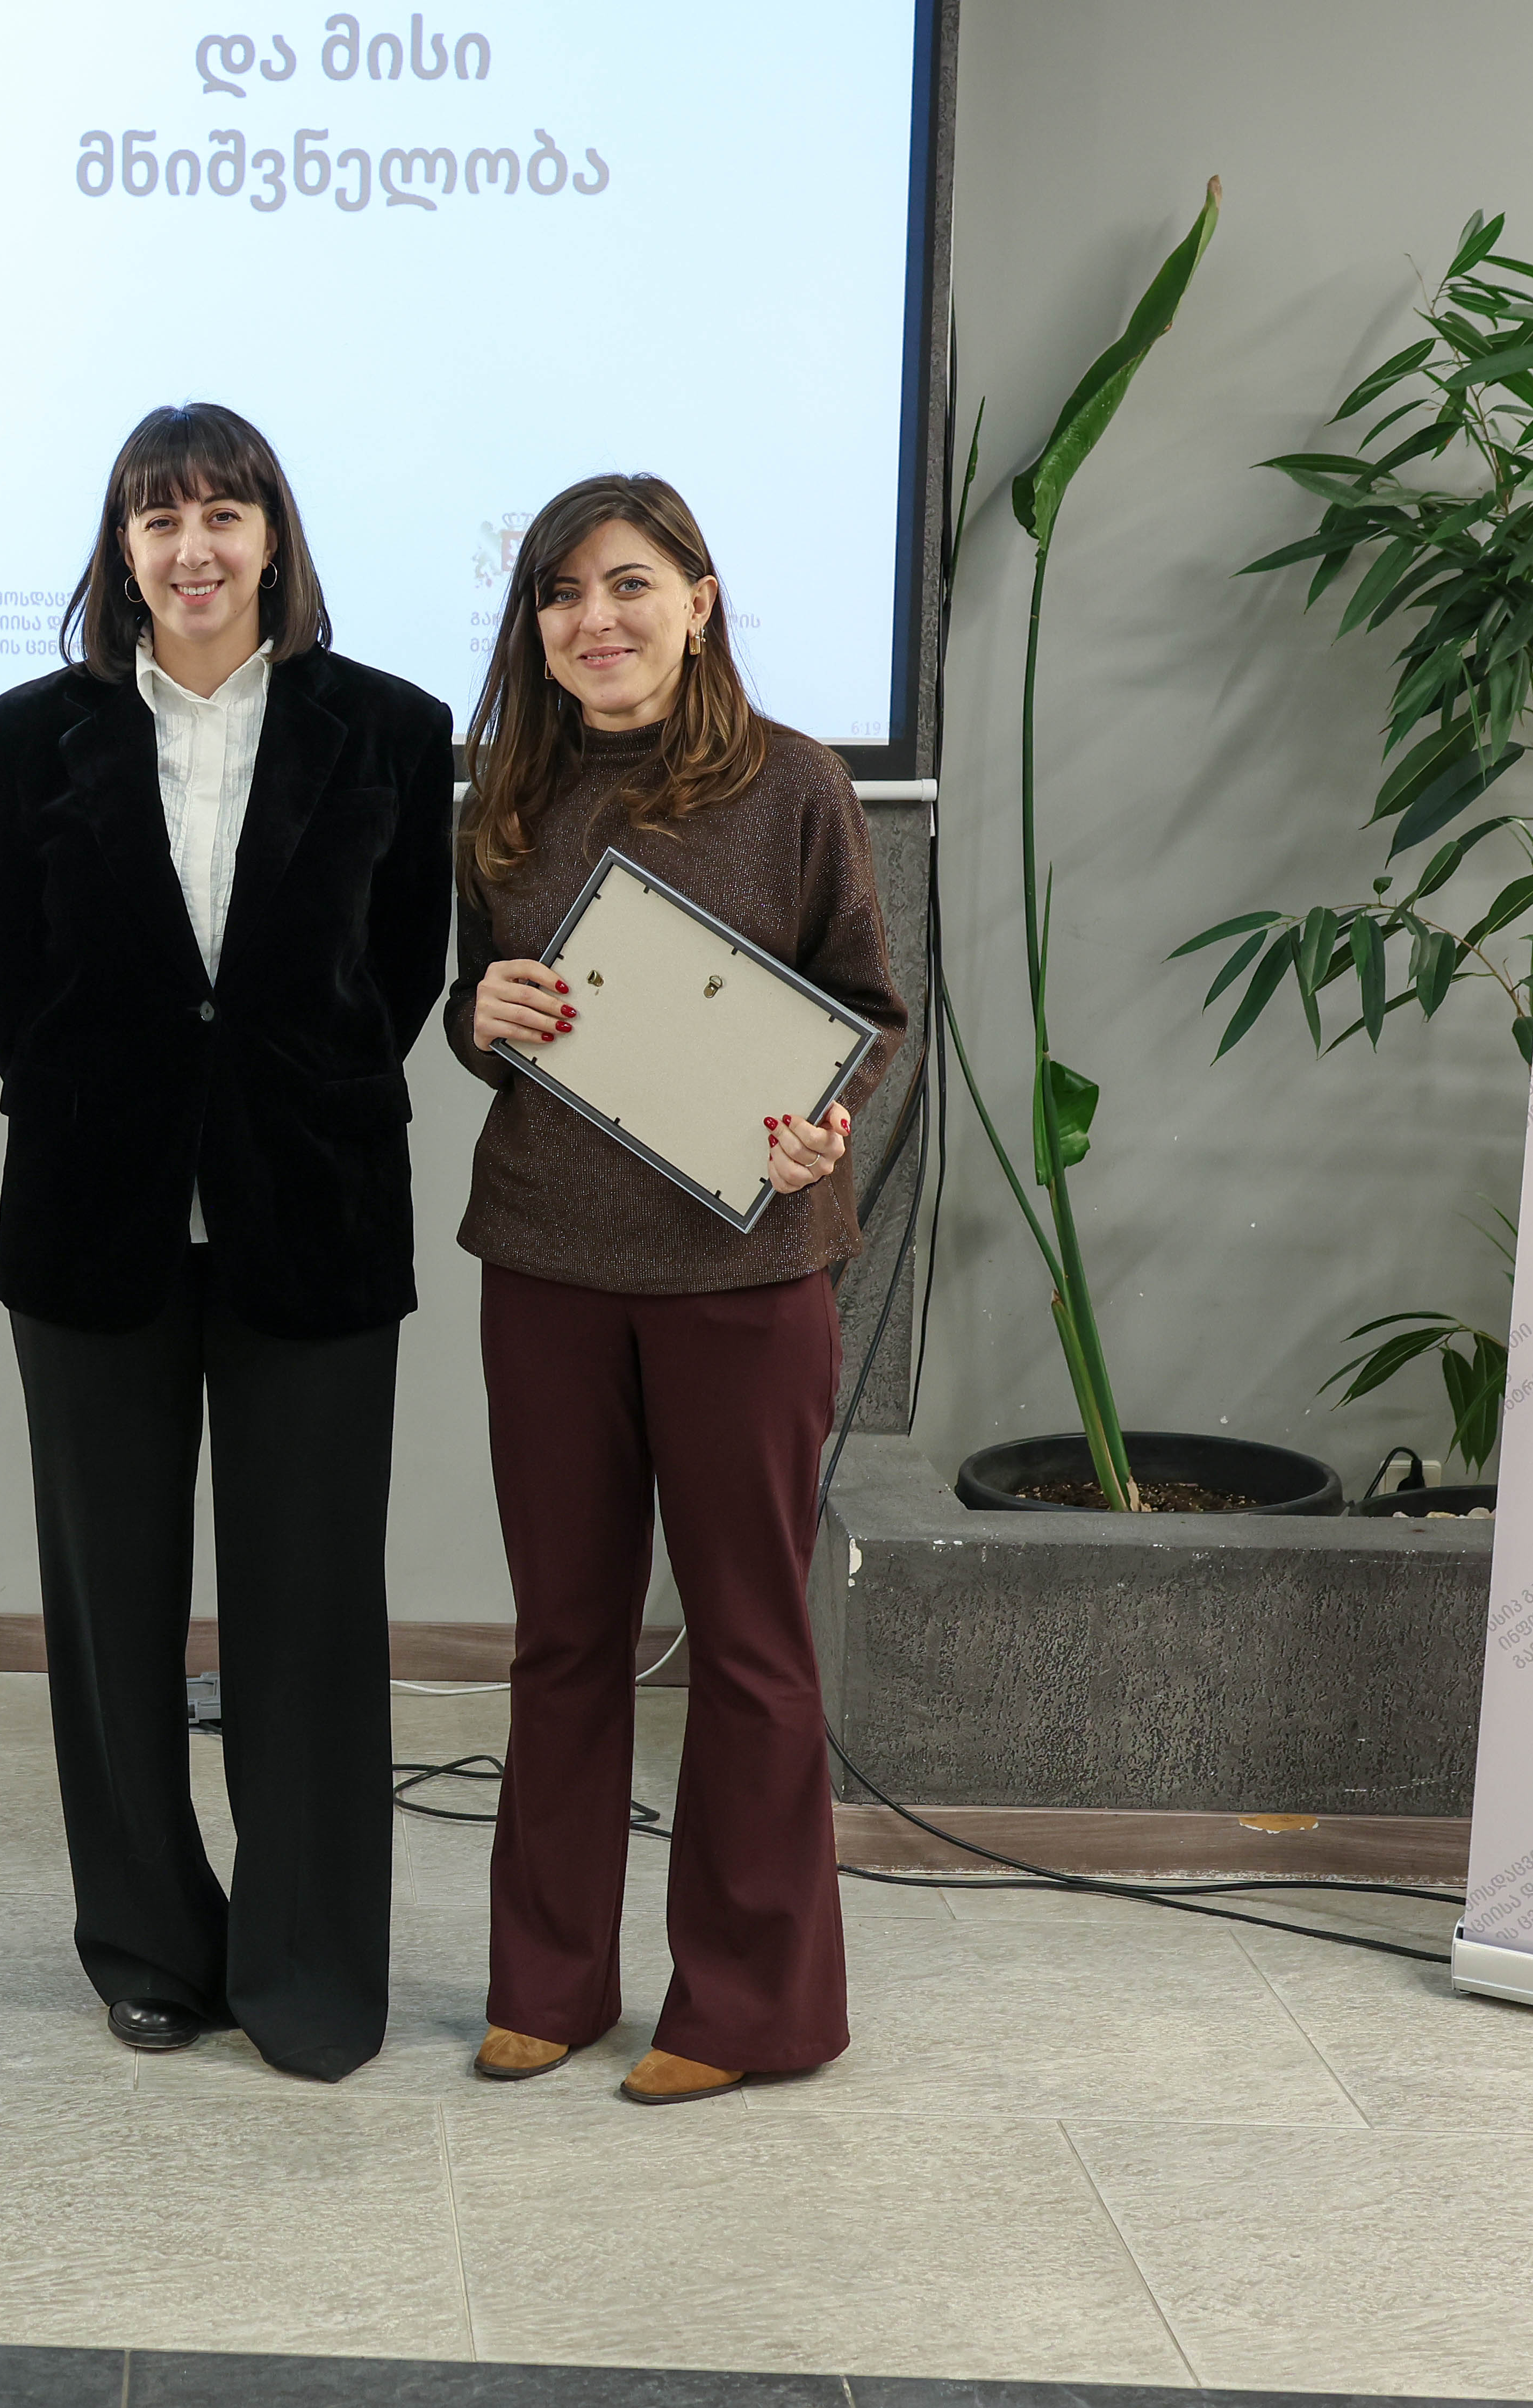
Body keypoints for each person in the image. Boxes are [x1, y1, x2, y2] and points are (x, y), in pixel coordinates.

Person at [0, 402, 453, 2083]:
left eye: (222, 513)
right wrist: (116, 1104)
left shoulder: (390, 727)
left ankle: (307, 1970)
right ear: (120, 550)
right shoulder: (35, 731)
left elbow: (398, 972)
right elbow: (2, 972)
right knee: (109, 1612)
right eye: (157, 518)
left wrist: (270, 1100)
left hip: (310, 1213)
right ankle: (150, 1946)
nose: (192, 547)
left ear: (271, 538)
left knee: (308, 1617)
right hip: (90, 1218)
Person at [447, 472, 905, 2106]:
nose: (597, 620)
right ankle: (548, 1983)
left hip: (743, 1268)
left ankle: (748, 2006)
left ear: (698, 603)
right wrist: (477, 1013)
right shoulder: (503, 793)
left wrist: (822, 1126)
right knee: (562, 1637)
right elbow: (476, 1005)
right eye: (562, 593)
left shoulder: (793, 784)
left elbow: (867, 1009)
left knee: (750, 1642)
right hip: (547, 1265)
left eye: (629, 584)